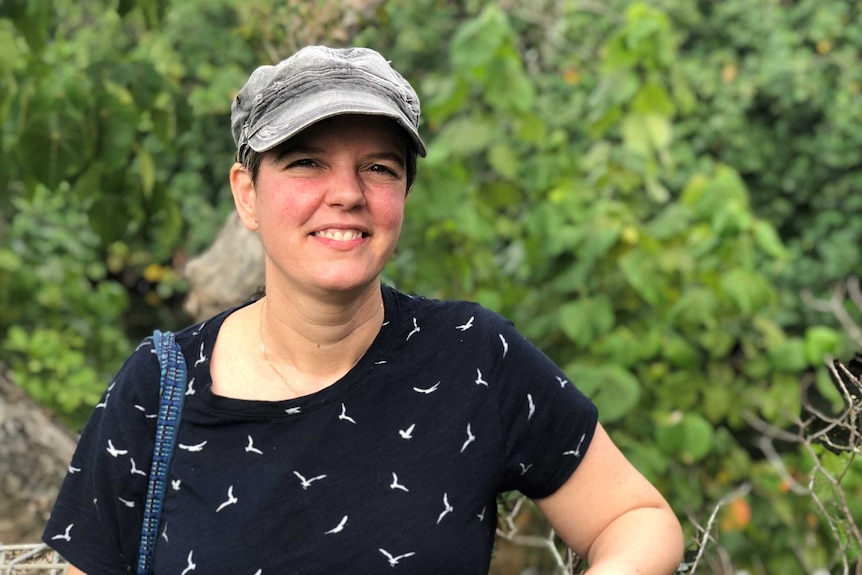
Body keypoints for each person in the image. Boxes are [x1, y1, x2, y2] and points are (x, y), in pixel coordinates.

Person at [43, 45, 684, 574]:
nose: (346, 194)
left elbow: (636, 521)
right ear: (247, 194)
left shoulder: (471, 356)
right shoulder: (159, 388)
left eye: (378, 167)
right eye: (306, 162)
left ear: (404, 192)